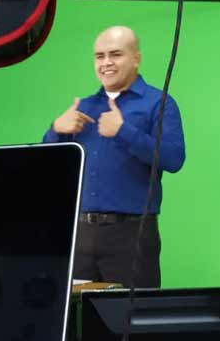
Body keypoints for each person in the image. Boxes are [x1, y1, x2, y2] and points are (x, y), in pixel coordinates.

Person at [42, 25, 185, 287]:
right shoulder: (83, 108)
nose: (106, 63)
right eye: (99, 56)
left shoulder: (159, 103)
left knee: (129, 321)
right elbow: (48, 167)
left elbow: (174, 159)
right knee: (77, 320)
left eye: (115, 54)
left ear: (136, 58)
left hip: (131, 236)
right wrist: (55, 131)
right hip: (80, 235)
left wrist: (124, 131)